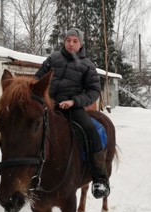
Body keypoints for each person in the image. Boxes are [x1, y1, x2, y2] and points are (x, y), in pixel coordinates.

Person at [35, 28, 110, 199]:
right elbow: (37, 78)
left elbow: (93, 91)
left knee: (90, 129)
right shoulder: (53, 59)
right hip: (48, 104)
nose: (71, 43)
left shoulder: (87, 65)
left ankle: (100, 178)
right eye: (68, 40)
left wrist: (74, 101)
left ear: (81, 44)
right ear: (64, 41)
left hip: (72, 107)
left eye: (75, 41)